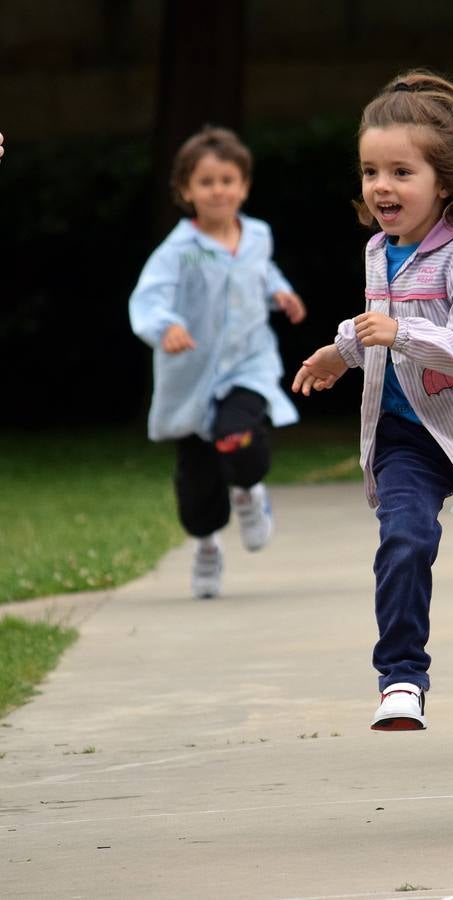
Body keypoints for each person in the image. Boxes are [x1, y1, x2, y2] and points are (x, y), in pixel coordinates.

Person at [292, 71, 453, 732]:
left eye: (401, 171)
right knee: (404, 539)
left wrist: (399, 333)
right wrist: (339, 351)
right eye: (371, 170)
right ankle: (401, 677)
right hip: (408, 439)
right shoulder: (380, 250)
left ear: (446, 179)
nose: (382, 186)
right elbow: (377, 322)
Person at [129, 126, 306, 599]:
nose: (218, 190)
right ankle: (207, 543)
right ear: (186, 190)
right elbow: (148, 298)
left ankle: (249, 490)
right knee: (197, 482)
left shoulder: (257, 236)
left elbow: (261, 271)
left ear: (244, 186)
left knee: (239, 437)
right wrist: (165, 325)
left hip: (248, 364)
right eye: (206, 182)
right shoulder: (178, 251)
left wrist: (279, 293)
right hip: (193, 376)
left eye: (228, 179)